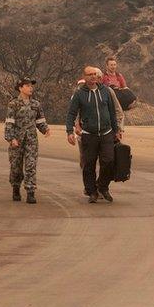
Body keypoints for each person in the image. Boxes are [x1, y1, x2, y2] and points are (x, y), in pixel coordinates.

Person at [67, 66, 121, 204]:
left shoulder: (106, 91)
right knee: (88, 164)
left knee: (108, 161)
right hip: (89, 134)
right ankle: (91, 191)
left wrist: (117, 130)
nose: (92, 77)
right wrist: (69, 132)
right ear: (84, 77)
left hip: (106, 133)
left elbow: (112, 113)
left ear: (98, 76)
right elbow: (71, 114)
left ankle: (102, 186)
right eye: (89, 74)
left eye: (94, 74)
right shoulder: (80, 94)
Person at [5, 77, 50, 204]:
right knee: (16, 166)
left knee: (31, 165)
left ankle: (30, 191)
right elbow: (9, 123)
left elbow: (40, 120)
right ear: (20, 88)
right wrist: (11, 138)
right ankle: (15, 187)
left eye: (31, 86)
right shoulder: (13, 104)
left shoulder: (36, 104)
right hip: (17, 139)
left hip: (31, 139)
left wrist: (45, 129)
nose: (31, 88)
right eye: (27, 86)